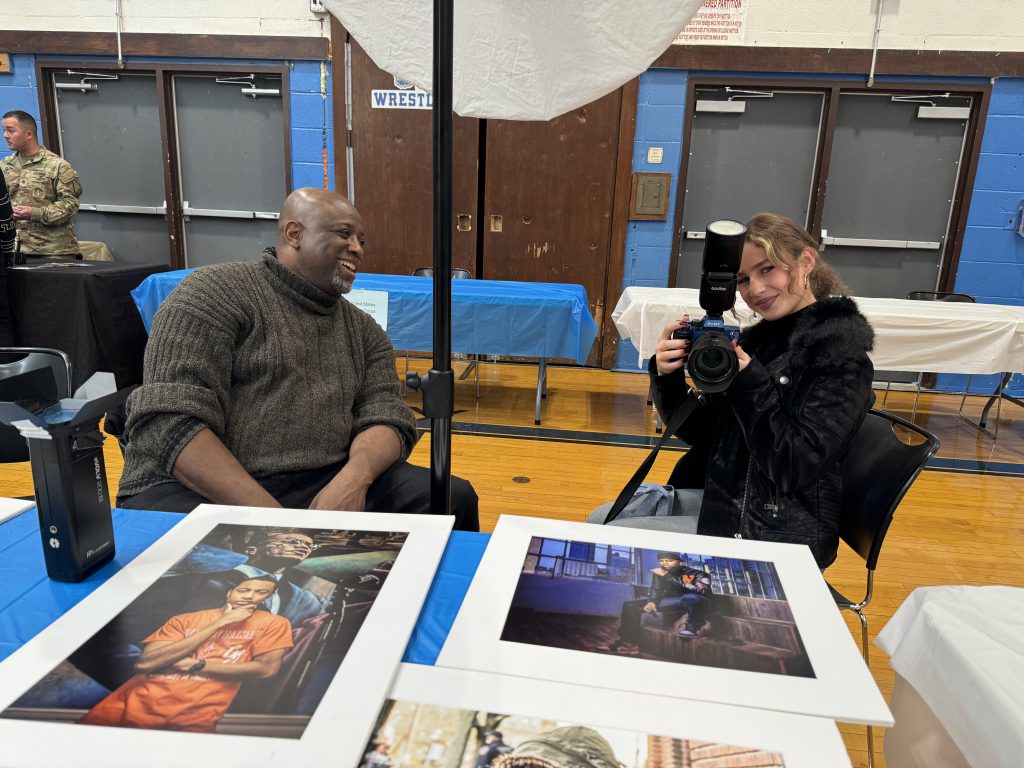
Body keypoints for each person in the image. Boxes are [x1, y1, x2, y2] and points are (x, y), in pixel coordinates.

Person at [116, 187, 478, 530]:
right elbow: (169, 424)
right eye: (344, 234)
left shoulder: (365, 331)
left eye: (362, 241)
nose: (357, 249)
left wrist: (353, 481)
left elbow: (386, 415)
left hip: (322, 480)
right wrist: (281, 523)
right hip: (193, 484)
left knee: (450, 498)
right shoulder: (212, 293)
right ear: (294, 233)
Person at [649, 213, 875, 569]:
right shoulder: (763, 340)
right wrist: (667, 374)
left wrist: (749, 381)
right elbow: (701, 434)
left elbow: (793, 466)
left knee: (606, 529)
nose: (754, 290)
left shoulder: (839, 357)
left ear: (805, 261)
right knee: (604, 517)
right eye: (742, 280)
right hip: (730, 501)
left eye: (767, 269)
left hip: (776, 530)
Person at [78, 576, 293, 732]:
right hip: (121, 708)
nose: (249, 595)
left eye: (261, 592)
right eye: (244, 589)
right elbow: (145, 664)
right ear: (230, 593)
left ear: (270, 598)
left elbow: (265, 669)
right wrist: (220, 623)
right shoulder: (185, 619)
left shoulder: (274, 624)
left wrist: (194, 665)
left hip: (191, 716)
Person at [596, 552, 714, 655]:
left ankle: (694, 628)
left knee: (690, 597)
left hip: (697, 601)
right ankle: (629, 644)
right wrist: (651, 602)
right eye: (661, 561)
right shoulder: (660, 574)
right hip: (675, 601)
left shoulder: (699, 574)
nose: (664, 563)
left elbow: (699, 590)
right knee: (630, 605)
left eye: (669, 561)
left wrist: (667, 577)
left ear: (681, 562)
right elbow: (655, 590)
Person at [0, 110, 82, 258]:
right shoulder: (4, 166)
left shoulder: (57, 166)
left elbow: (71, 204)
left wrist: (34, 213)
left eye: (10, 131)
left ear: (29, 134)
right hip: (14, 251)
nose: (5, 135)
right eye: (4, 130)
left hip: (53, 252)